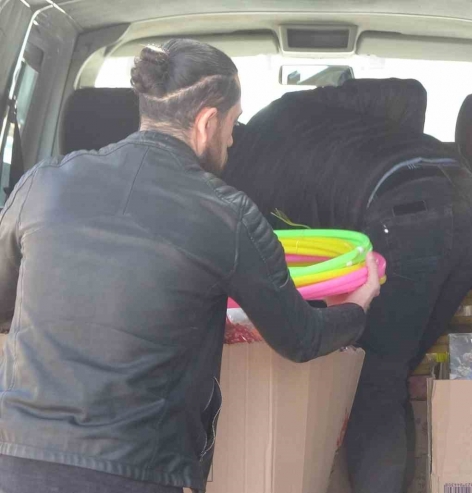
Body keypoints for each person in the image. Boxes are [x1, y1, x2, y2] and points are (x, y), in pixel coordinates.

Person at [0, 39, 379, 493]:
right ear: (206, 122)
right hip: (136, 473)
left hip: (16, 462)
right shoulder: (226, 212)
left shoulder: (41, 184)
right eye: (234, 123)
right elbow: (299, 338)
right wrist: (358, 306)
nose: (234, 139)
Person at [223, 78, 472, 493]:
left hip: (398, 218)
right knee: (392, 368)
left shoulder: (239, 188)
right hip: (471, 202)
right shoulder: (288, 107)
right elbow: (412, 94)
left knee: (376, 380)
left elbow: (286, 288)